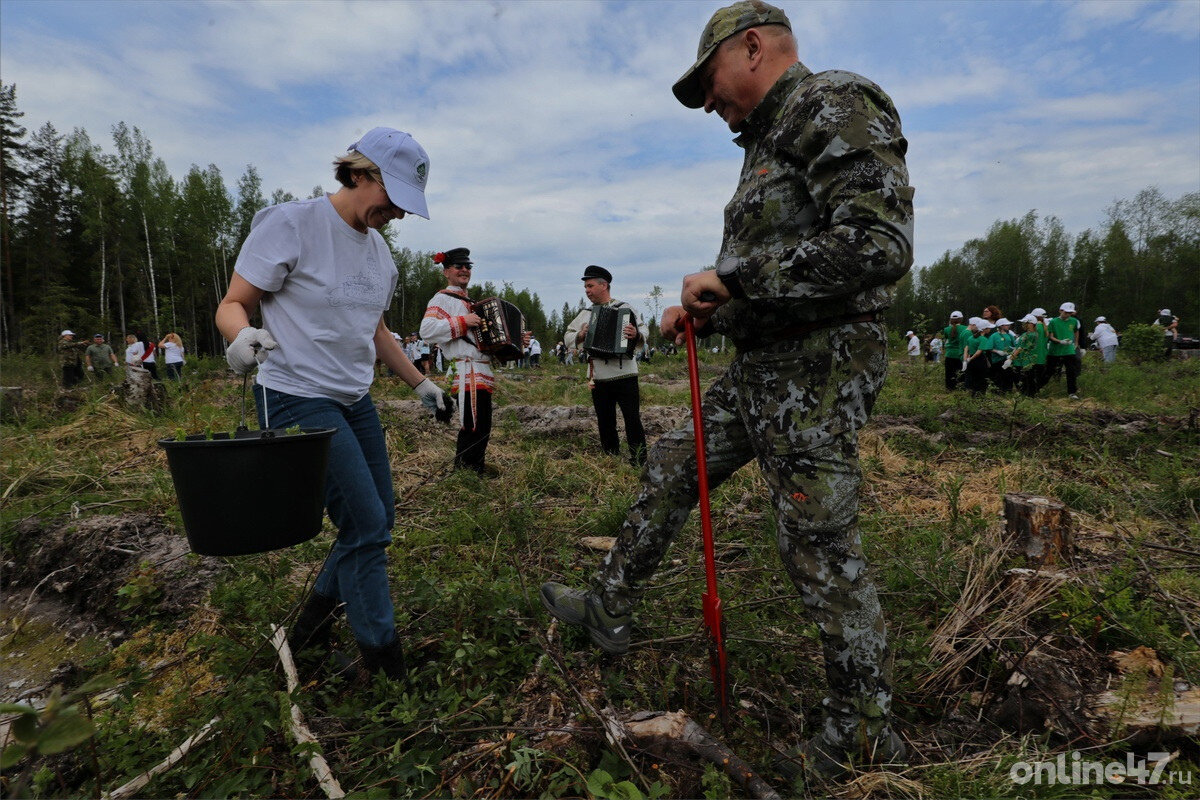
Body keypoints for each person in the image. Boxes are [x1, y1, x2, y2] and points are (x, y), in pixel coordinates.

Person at [541, 0, 912, 779]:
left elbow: (876, 246)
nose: (707, 102)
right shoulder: (762, 145)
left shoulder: (834, 102)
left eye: (707, 82)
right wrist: (711, 309)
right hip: (760, 368)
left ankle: (866, 730)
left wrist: (733, 276)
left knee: (815, 540)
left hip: (817, 369)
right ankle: (611, 605)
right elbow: (780, 267)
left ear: (752, 48)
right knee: (673, 465)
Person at [215, 126, 446, 682]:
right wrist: (239, 338)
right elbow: (234, 303)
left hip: (353, 399)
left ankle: (308, 635)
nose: (399, 214)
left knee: (379, 518)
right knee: (366, 525)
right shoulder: (292, 224)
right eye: (393, 199)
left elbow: (377, 331)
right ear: (361, 174)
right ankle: (385, 666)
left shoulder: (380, 256)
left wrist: (420, 383)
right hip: (295, 395)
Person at [421, 247, 528, 476]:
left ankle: (474, 467)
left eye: (468, 266)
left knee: (482, 424)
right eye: (459, 266)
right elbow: (427, 330)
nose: (464, 270)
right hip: (466, 369)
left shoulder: (471, 302)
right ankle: (466, 472)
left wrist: (517, 342)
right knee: (472, 424)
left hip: (481, 370)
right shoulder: (442, 299)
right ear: (446, 271)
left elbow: (489, 340)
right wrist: (462, 321)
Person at [564, 265, 650, 467]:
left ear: (604, 286)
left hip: (625, 374)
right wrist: (580, 335)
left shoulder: (625, 308)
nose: (587, 290)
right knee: (605, 419)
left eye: (590, 286)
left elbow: (644, 331)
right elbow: (568, 335)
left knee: (632, 418)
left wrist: (635, 334)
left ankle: (639, 460)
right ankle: (610, 457)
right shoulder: (585, 314)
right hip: (599, 375)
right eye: (585, 287)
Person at [1047, 302, 1081, 399]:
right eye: (1066, 312)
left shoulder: (1074, 321)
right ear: (1060, 311)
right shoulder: (1053, 322)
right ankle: (1037, 388)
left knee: (1071, 370)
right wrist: (1060, 341)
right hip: (1055, 350)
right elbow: (1050, 336)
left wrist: (1076, 343)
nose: (1068, 315)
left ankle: (1072, 392)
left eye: (1070, 313)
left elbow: (1076, 331)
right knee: (1049, 370)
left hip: (1069, 350)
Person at [963, 318, 992, 397]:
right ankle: (980, 397)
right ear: (984, 329)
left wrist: (966, 360)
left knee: (972, 378)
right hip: (979, 360)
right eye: (988, 328)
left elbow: (966, 349)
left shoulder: (971, 338)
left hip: (971, 360)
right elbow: (979, 352)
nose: (990, 329)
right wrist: (970, 359)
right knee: (981, 379)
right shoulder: (984, 339)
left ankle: (972, 396)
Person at [942, 311, 969, 390]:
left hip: (949, 354)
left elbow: (947, 338)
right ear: (961, 319)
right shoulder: (965, 329)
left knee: (950, 373)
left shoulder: (946, 329)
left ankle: (950, 388)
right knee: (962, 372)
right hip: (961, 354)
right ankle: (961, 387)